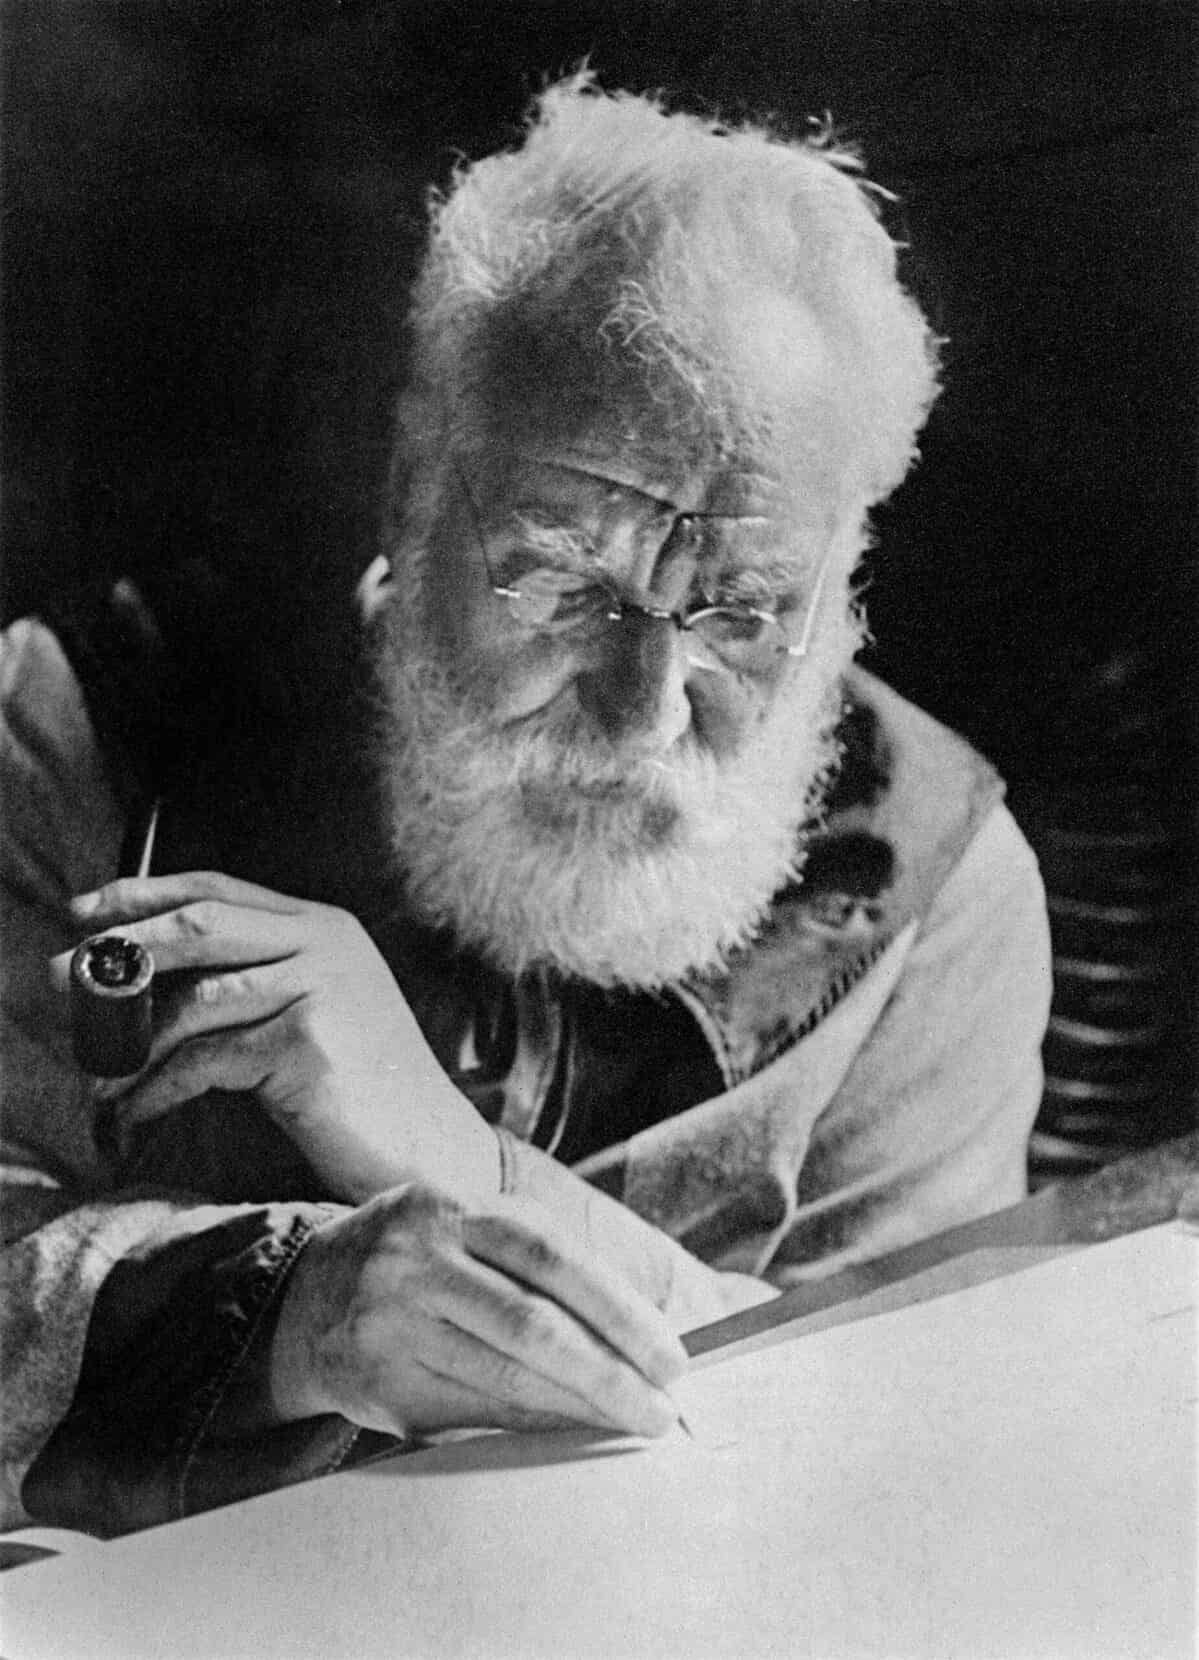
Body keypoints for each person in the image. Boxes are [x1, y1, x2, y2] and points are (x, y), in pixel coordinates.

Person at [0, 74, 1051, 1537]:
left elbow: (919, 1433)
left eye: (744, 610)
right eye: (565, 582)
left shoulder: (940, 894)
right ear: (412, 486)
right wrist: (291, 1311)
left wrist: (449, 1159)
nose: (644, 711)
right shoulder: (74, 734)